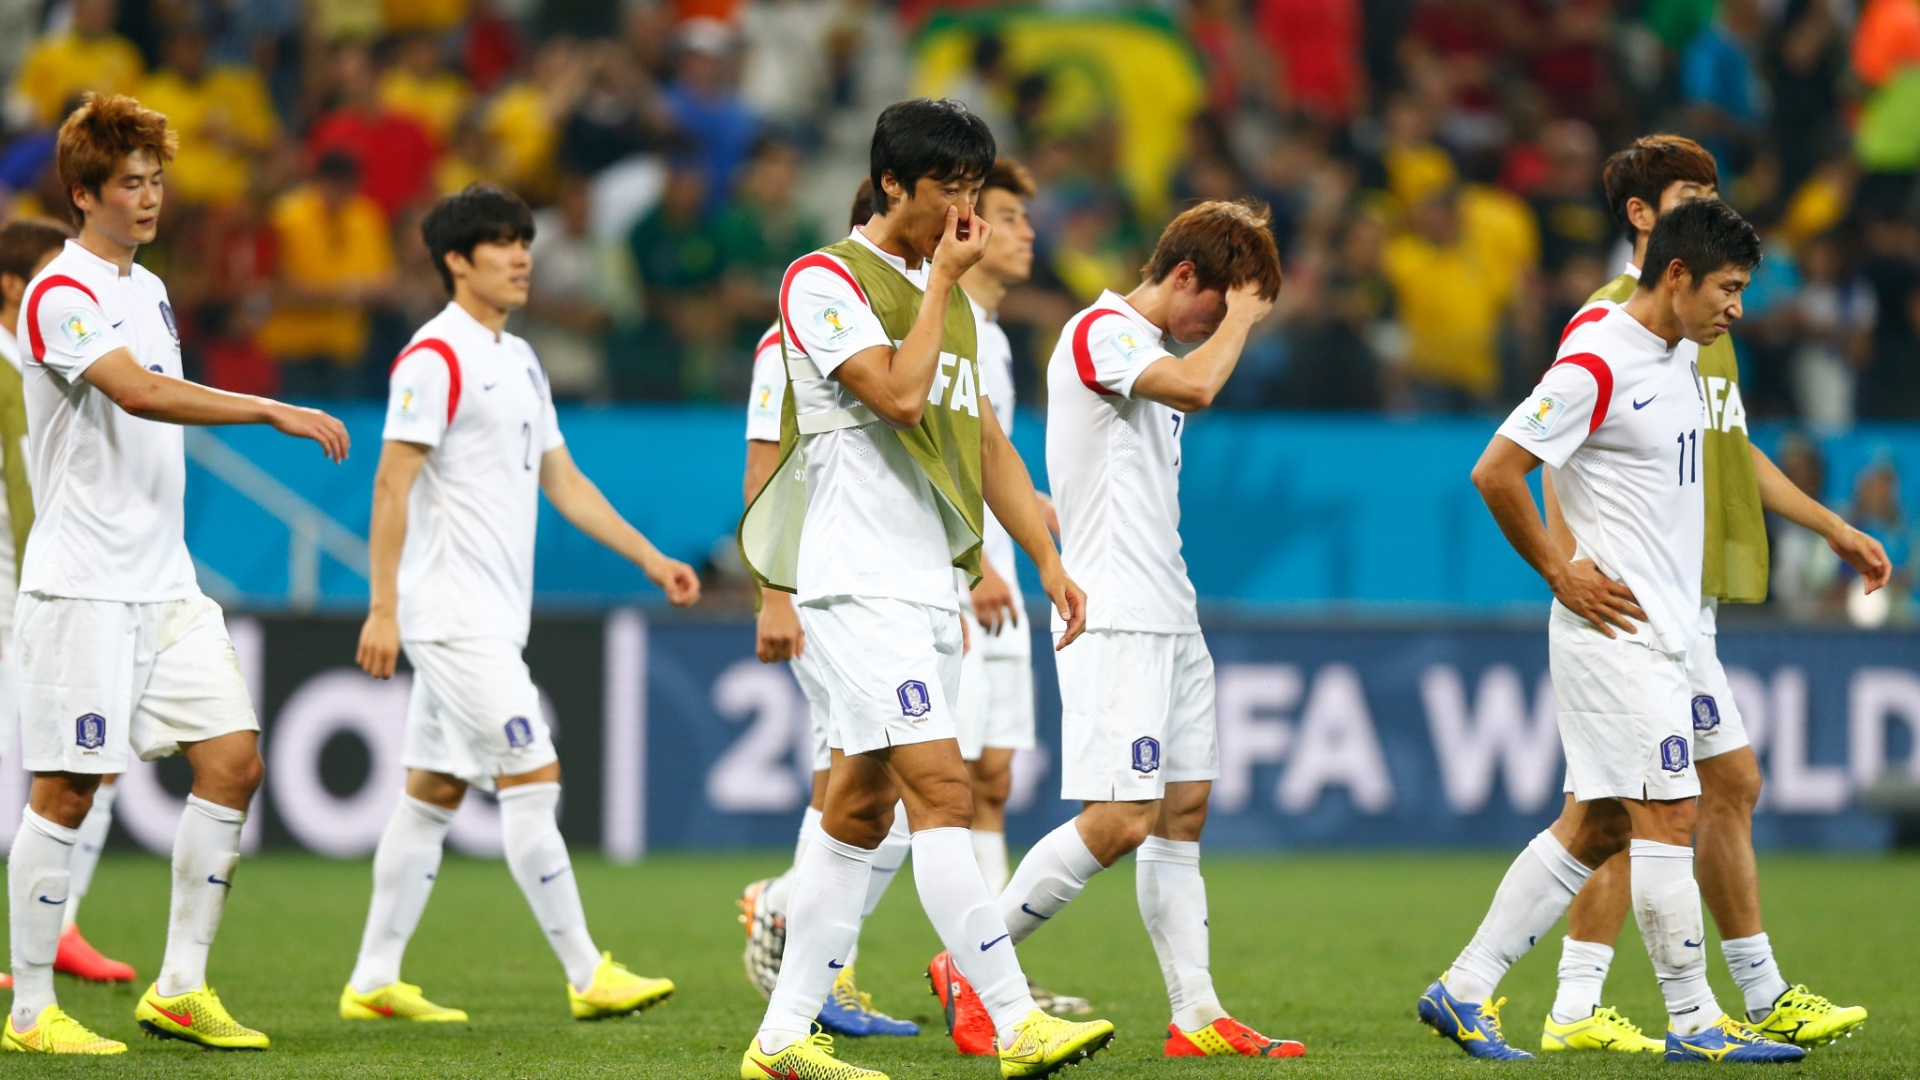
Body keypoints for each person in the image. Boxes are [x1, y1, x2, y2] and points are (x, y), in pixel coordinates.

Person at [736, 98, 1112, 1080]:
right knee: (942, 789)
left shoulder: (941, 298)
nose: (965, 208)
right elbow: (900, 398)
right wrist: (944, 282)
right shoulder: (822, 281)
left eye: (975, 188)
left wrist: (1044, 557)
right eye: (948, 186)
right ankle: (1013, 1018)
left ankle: (779, 1042)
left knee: (861, 815)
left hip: (922, 582)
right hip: (852, 584)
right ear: (894, 183)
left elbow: (982, 442)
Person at [1418, 198, 1803, 1064]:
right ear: (1676, 276)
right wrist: (1561, 570)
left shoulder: (1680, 354)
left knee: (1599, 829)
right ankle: (1695, 1020)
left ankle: (1464, 987)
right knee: (1672, 816)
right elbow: (1496, 469)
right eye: (1729, 290)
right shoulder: (1595, 359)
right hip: (1617, 636)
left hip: (1673, 633)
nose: (1737, 310)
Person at [5, 93, 350, 1055]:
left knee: (234, 762)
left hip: (165, 581)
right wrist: (267, 409)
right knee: (69, 789)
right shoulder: (59, 293)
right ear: (83, 193)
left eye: (158, 180)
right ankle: (31, 1012)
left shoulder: (147, 288)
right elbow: (140, 393)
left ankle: (180, 989)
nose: (150, 198)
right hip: (82, 584)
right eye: (130, 183)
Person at [1537, 134, 1881, 1055]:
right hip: (1633, 602)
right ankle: (1645, 1005)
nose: (1711, 207)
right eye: (1691, 192)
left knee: (1689, 791)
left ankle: (1573, 1005)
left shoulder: (1704, 313)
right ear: (1645, 218)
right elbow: (1542, 456)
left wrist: (1828, 524)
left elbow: (1728, 445)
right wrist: (1574, 578)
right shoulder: (1618, 316)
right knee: (1645, 803)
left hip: (1688, 591)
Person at [345, 184, 699, 1024]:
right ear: (456, 261)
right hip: (451, 616)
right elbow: (391, 486)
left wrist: (650, 557)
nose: (521, 257)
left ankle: (372, 979)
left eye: (524, 241)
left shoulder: (521, 358)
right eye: (500, 244)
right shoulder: (434, 359)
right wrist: (382, 608)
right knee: (531, 773)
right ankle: (586, 972)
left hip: (492, 616)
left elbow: (564, 483)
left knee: (431, 792)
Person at [962, 200, 1303, 1062]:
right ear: (1185, 276)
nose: (1215, 331)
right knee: (1120, 819)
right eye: (1216, 310)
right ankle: (970, 963)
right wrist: (1250, 316)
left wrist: (1238, 312)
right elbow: (1200, 386)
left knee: (1183, 810)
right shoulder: (1100, 332)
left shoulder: (1147, 350)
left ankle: (1195, 1013)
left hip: (1169, 608)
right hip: (1110, 610)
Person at [736, 180, 919, 1040]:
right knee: (882, 784)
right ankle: (802, 955)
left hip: (875, 578)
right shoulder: (794, 335)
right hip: (823, 584)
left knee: (857, 780)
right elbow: (767, 459)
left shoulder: (897, 326)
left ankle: (807, 959)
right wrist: (773, 589)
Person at [949, 158, 1088, 1018]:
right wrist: (979, 560)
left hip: (998, 568)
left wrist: (1028, 509)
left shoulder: (994, 337)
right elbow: (935, 457)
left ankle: (987, 963)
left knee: (992, 777)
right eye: (1007, 215)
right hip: (966, 574)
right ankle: (792, 907)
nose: (1025, 231)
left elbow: (986, 451)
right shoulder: (945, 320)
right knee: (936, 781)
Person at [0, 217, 137, 992]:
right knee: (69, 768)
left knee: (93, 763)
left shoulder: (55, 362)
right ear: (15, 288)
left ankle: (60, 928)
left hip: (55, 589)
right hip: (25, 599)